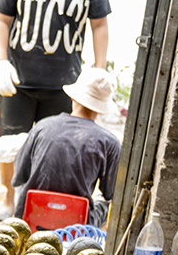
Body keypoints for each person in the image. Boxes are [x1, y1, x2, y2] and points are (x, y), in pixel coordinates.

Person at [0, 0, 112, 207]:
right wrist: (1, 62)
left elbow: (99, 25)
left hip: (64, 83)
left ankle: (49, 204)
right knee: (8, 143)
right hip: (18, 79)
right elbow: (1, 19)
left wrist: (98, 70)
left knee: (59, 146)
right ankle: (8, 201)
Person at [11, 67, 121, 226]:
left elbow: (20, 175)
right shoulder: (109, 143)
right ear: (102, 108)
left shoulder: (43, 126)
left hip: (30, 217)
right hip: (76, 226)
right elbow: (111, 192)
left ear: (73, 98)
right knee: (105, 204)